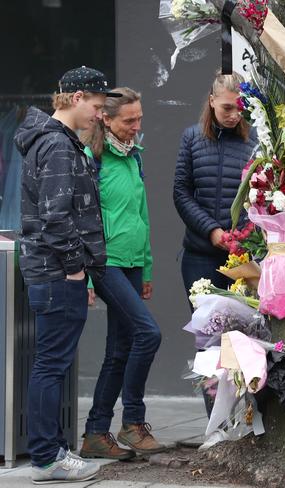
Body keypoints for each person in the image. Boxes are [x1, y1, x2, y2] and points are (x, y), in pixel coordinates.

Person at [13, 66, 120, 484]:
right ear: (76, 98)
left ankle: (50, 452)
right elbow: (56, 218)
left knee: (49, 365)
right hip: (58, 274)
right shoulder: (57, 146)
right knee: (51, 366)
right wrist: (77, 269)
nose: (99, 114)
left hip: (52, 272)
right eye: (96, 105)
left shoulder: (53, 141)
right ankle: (46, 458)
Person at [77, 87, 164, 459]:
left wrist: (146, 268)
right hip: (105, 263)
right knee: (149, 333)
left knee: (119, 349)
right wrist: (87, 276)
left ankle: (96, 433)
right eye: (129, 120)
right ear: (106, 119)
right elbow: (82, 220)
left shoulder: (135, 159)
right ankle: (132, 421)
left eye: (139, 118)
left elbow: (141, 218)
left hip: (130, 264)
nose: (136, 126)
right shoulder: (91, 160)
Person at [173, 71, 257, 415]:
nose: (234, 115)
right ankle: (215, 421)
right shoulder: (192, 138)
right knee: (208, 340)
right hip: (200, 256)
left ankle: (245, 416)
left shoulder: (252, 143)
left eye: (239, 108)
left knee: (241, 339)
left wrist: (243, 233)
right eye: (226, 108)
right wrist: (211, 231)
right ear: (211, 101)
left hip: (239, 258)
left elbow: (259, 197)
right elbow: (181, 192)